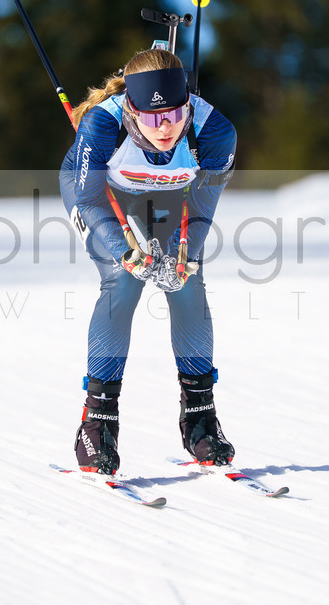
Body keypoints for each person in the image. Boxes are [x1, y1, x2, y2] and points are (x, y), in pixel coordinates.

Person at [60, 48, 238, 475]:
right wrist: (127, 254)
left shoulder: (214, 131)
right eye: (153, 118)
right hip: (105, 198)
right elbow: (87, 198)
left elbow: (201, 209)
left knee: (188, 284)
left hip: (170, 197)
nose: (167, 127)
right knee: (123, 281)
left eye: (176, 114)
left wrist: (182, 259)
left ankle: (200, 418)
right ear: (131, 109)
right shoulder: (102, 124)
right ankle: (97, 423)